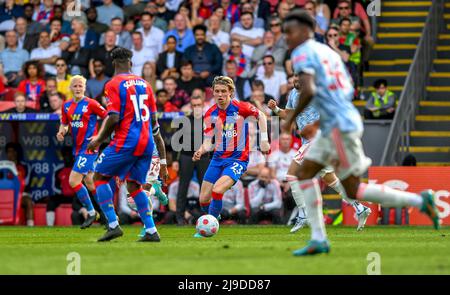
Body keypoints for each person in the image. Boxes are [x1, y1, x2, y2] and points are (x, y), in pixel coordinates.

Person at [281, 10, 439, 256]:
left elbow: (310, 89)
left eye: (289, 31)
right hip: (343, 120)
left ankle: (318, 235)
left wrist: (295, 117)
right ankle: (319, 236)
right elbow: (345, 88)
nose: (286, 37)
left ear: (305, 30)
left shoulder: (302, 53)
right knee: (318, 178)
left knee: (319, 178)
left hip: (337, 125)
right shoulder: (328, 54)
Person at [269, 72, 371, 233]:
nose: (295, 79)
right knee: (331, 179)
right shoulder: (293, 94)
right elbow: (289, 115)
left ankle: (303, 214)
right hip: (311, 142)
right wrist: (275, 109)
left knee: (291, 175)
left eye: (298, 76)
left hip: (317, 139)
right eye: (294, 76)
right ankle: (359, 208)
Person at [87, 47, 169, 242]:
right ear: (131, 63)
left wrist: (98, 139)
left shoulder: (113, 84)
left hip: (126, 142)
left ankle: (113, 225)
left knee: (98, 176)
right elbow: (155, 123)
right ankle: (151, 230)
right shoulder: (146, 85)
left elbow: (113, 117)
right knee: (134, 185)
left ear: (113, 63)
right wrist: (163, 159)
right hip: (147, 142)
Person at [192, 76, 270, 237]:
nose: (220, 95)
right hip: (217, 159)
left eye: (223, 91)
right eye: (217, 91)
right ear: (212, 93)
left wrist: (264, 140)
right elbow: (208, 141)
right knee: (203, 199)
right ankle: (214, 215)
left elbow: (261, 116)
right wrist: (201, 150)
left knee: (217, 190)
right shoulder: (210, 114)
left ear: (231, 92)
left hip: (237, 159)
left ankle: (211, 224)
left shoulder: (241, 107)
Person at [56, 75, 107, 229]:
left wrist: (99, 136)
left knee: (73, 181)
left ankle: (92, 212)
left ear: (84, 88)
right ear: (71, 88)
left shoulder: (91, 103)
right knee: (90, 182)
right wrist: (62, 132)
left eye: (80, 86)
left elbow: (108, 117)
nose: (78, 89)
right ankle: (110, 214)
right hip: (78, 149)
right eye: (75, 86)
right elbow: (64, 123)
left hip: (89, 148)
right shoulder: (66, 106)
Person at [172, 96, 210, 225]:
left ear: (203, 105)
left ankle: (206, 215)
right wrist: (175, 161)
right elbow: (176, 142)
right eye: (194, 105)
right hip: (186, 156)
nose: (197, 108)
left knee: (205, 187)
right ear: (191, 107)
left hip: (204, 157)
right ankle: (180, 216)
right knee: (183, 186)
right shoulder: (184, 121)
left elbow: (213, 141)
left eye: (199, 105)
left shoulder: (209, 122)